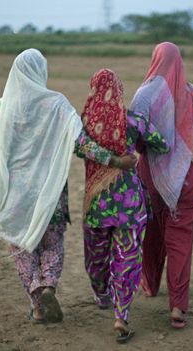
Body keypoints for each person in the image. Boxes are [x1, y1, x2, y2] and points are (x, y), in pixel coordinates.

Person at [0, 49, 135, 324]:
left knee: (22, 250)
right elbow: (81, 144)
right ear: (41, 72)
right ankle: (49, 286)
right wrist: (115, 160)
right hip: (50, 194)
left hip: (13, 194)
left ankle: (37, 305)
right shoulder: (57, 105)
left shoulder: (2, 107)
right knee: (52, 244)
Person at [80, 69, 169, 343]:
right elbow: (162, 144)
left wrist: (107, 158)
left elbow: (81, 147)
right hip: (130, 205)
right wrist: (133, 149)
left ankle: (101, 292)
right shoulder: (133, 120)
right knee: (127, 259)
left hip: (97, 204)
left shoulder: (84, 122)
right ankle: (122, 316)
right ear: (119, 90)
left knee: (96, 257)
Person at [129, 42, 193, 329]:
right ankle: (177, 307)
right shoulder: (192, 92)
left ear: (155, 59)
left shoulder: (145, 94)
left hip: (152, 179)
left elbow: (136, 140)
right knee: (180, 243)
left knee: (151, 235)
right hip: (186, 179)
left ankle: (149, 286)